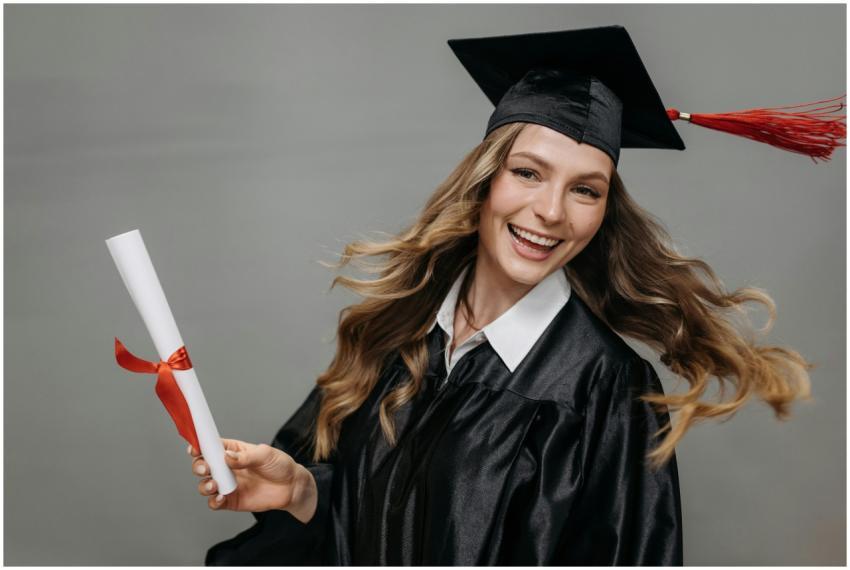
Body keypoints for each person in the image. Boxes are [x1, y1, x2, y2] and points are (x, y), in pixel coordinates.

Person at [190, 26, 837, 565]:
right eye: (528, 173)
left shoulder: (606, 393)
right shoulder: (400, 335)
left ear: (605, 209)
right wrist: (303, 491)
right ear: (486, 179)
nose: (551, 211)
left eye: (586, 189)